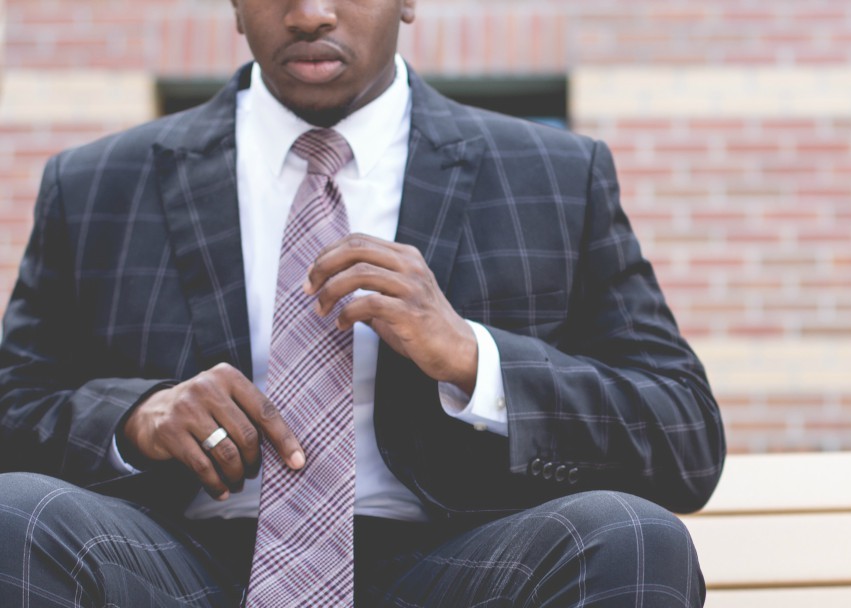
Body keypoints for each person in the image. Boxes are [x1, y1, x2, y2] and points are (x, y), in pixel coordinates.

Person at [0, 0, 724, 606]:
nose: (311, 13)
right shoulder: (98, 185)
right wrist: (134, 419)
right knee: (16, 516)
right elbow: (13, 410)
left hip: (455, 563)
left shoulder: (556, 174)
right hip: (180, 563)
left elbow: (684, 438)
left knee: (631, 536)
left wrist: (476, 361)